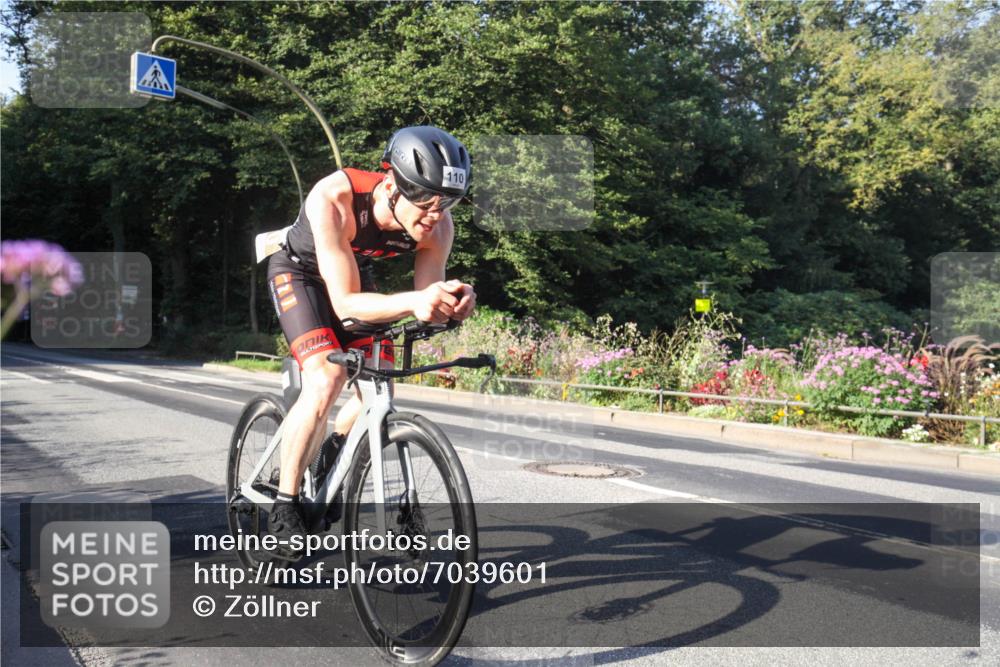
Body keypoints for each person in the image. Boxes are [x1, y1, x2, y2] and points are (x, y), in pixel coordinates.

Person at [265, 126, 476, 555]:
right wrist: (417, 300)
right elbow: (344, 304)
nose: (436, 214)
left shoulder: (438, 227)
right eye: (426, 200)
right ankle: (284, 506)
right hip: (300, 274)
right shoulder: (335, 198)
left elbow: (425, 298)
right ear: (393, 186)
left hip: (356, 277)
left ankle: (332, 452)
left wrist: (448, 305)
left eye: (448, 202)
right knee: (326, 377)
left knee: (377, 387)